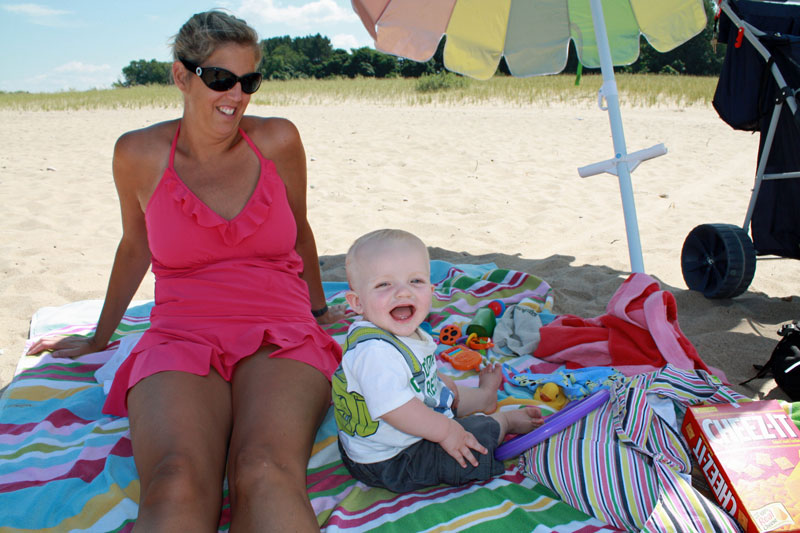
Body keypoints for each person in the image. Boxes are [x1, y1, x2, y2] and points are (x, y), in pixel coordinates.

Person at [25, 10, 343, 531]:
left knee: (262, 470)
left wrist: (319, 309)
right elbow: (134, 247)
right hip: (180, 331)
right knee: (175, 479)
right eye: (220, 78)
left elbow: (300, 230)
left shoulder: (278, 141)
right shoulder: (139, 153)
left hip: (280, 328)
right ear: (181, 76)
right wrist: (100, 336)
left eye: (249, 81)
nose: (236, 95)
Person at [333, 229, 544, 493]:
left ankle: (483, 398)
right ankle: (503, 421)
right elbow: (396, 409)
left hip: (397, 427)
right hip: (392, 458)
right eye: (384, 284)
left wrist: (437, 380)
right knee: (469, 444)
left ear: (431, 290)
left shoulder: (398, 330)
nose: (403, 293)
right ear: (357, 302)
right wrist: (447, 432)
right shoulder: (374, 352)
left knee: (446, 389)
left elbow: (411, 372)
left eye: (416, 281)